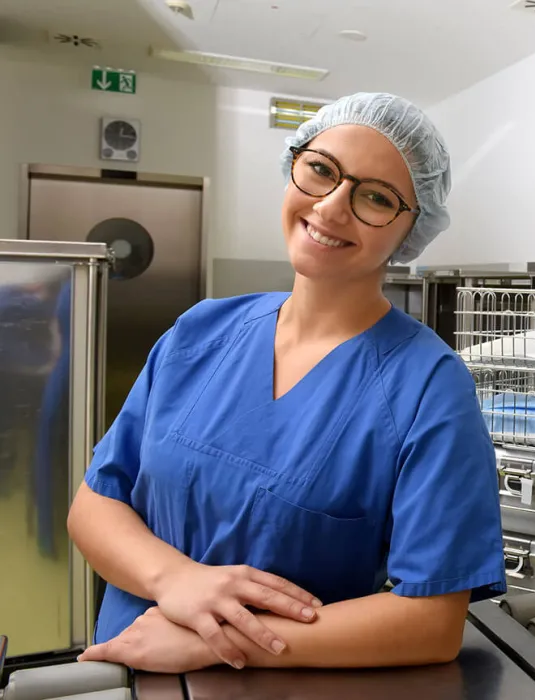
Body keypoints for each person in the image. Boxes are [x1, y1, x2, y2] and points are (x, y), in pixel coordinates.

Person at [69, 92, 507, 674]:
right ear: (292, 168)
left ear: (410, 231)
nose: (331, 208)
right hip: (126, 668)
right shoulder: (199, 332)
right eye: (321, 170)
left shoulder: (429, 386)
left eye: (376, 197)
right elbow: (95, 505)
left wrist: (219, 640)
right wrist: (178, 581)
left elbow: (432, 623)